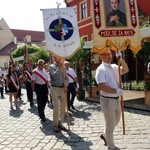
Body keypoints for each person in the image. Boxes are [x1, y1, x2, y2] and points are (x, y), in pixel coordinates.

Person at [95, 48, 129, 150]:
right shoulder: (100, 69)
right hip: (107, 100)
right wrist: (116, 91)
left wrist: (121, 60)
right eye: (106, 54)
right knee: (110, 124)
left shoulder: (115, 66)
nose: (109, 56)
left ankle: (105, 134)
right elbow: (102, 86)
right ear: (101, 56)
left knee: (117, 118)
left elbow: (126, 70)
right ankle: (111, 146)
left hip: (116, 99)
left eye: (110, 54)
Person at [49, 55, 69, 132]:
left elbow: (67, 78)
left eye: (60, 57)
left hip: (62, 88)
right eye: (58, 57)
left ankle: (60, 122)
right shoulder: (51, 67)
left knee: (63, 107)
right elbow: (53, 76)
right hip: (54, 88)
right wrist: (58, 68)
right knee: (56, 107)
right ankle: (55, 124)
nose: (60, 58)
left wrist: (66, 86)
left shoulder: (63, 67)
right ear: (54, 58)